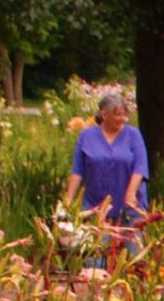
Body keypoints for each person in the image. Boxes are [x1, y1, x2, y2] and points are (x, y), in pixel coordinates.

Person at [63, 91, 149, 225]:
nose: (122, 118)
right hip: (95, 207)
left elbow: (140, 168)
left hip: (129, 208)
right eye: (117, 114)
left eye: (124, 114)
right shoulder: (86, 136)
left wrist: (131, 193)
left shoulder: (133, 135)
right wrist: (68, 201)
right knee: (97, 239)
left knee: (132, 238)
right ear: (104, 115)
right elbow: (77, 171)